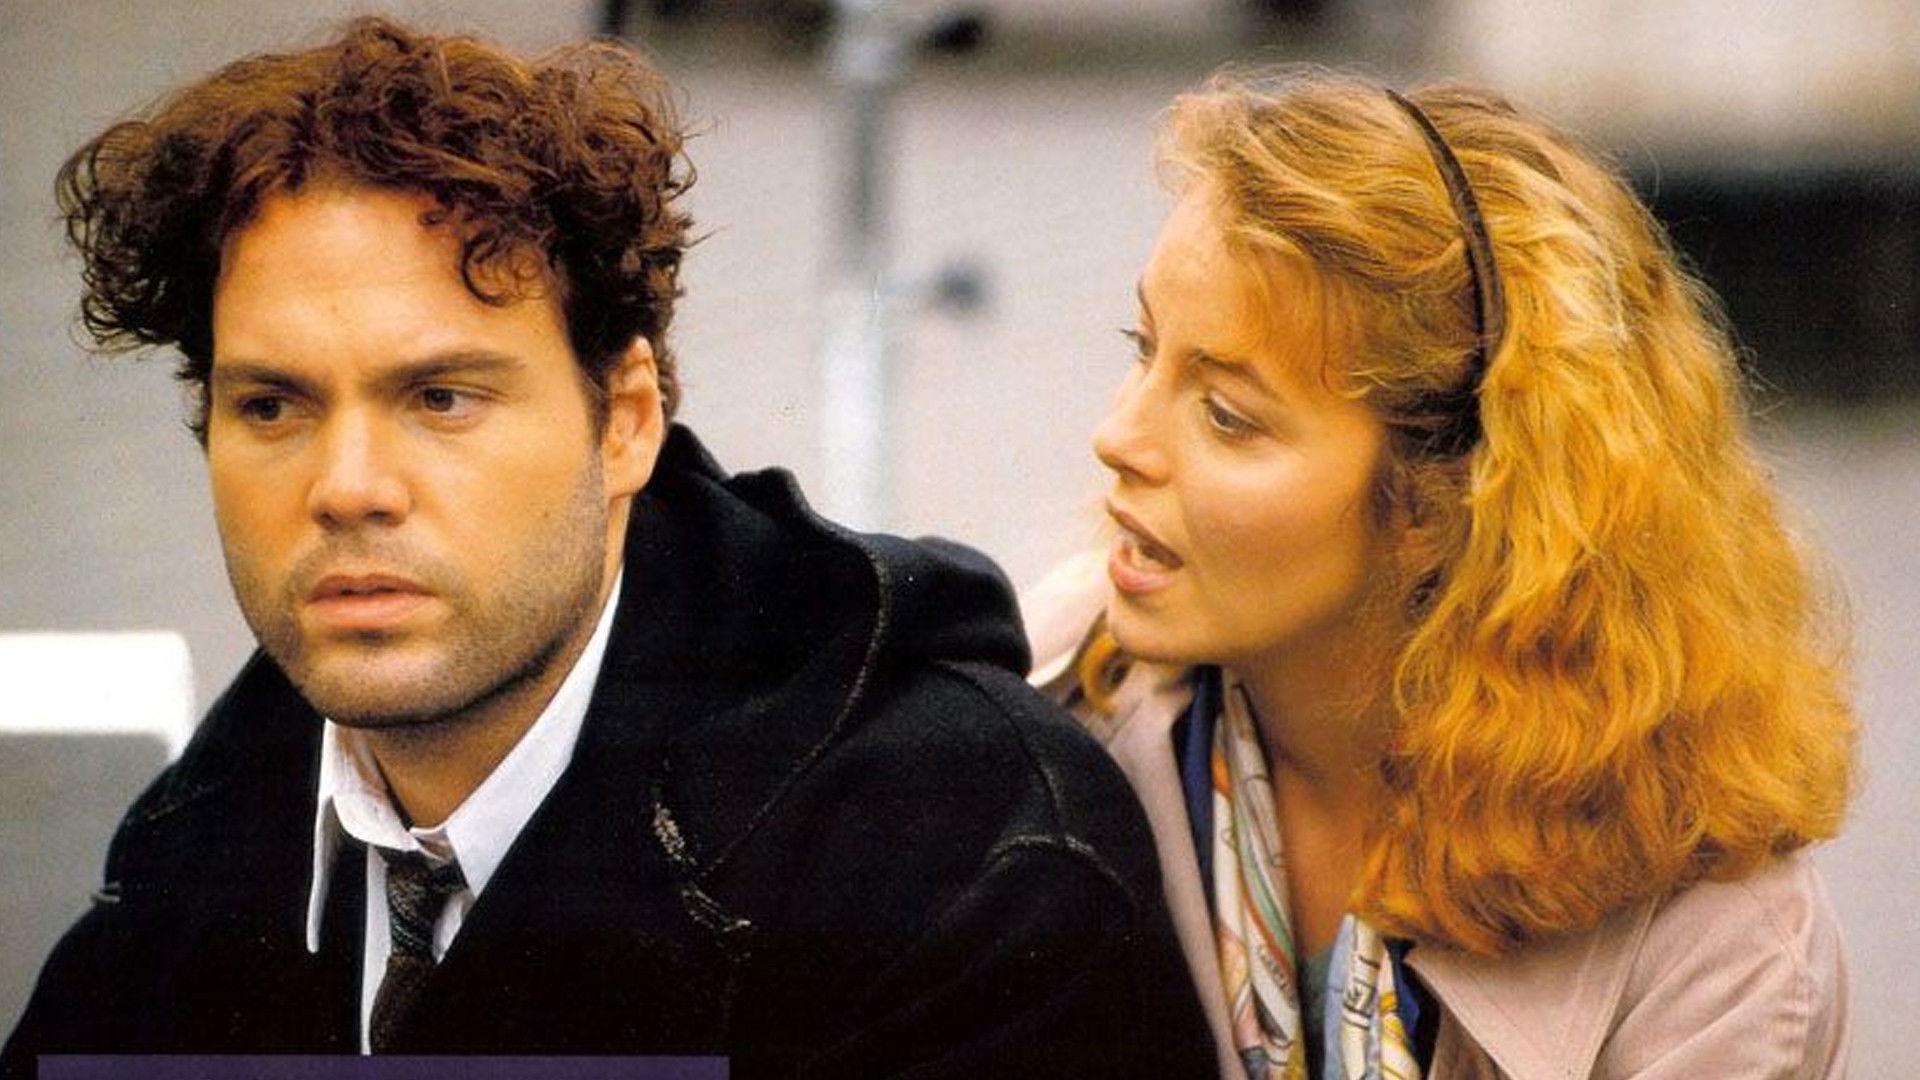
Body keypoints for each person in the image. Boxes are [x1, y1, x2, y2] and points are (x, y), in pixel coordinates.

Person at [2, 17, 1218, 1079]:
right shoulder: (186, 868)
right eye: (273, 407)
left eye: (442, 399)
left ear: (627, 421)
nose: (348, 488)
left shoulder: (960, 869)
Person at [1025, 66, 1855, 1079]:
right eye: (1143, 348)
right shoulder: (1048, 701)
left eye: (1228, 415)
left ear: (1440, 498)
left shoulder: (1717, 953)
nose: (1118, 436)